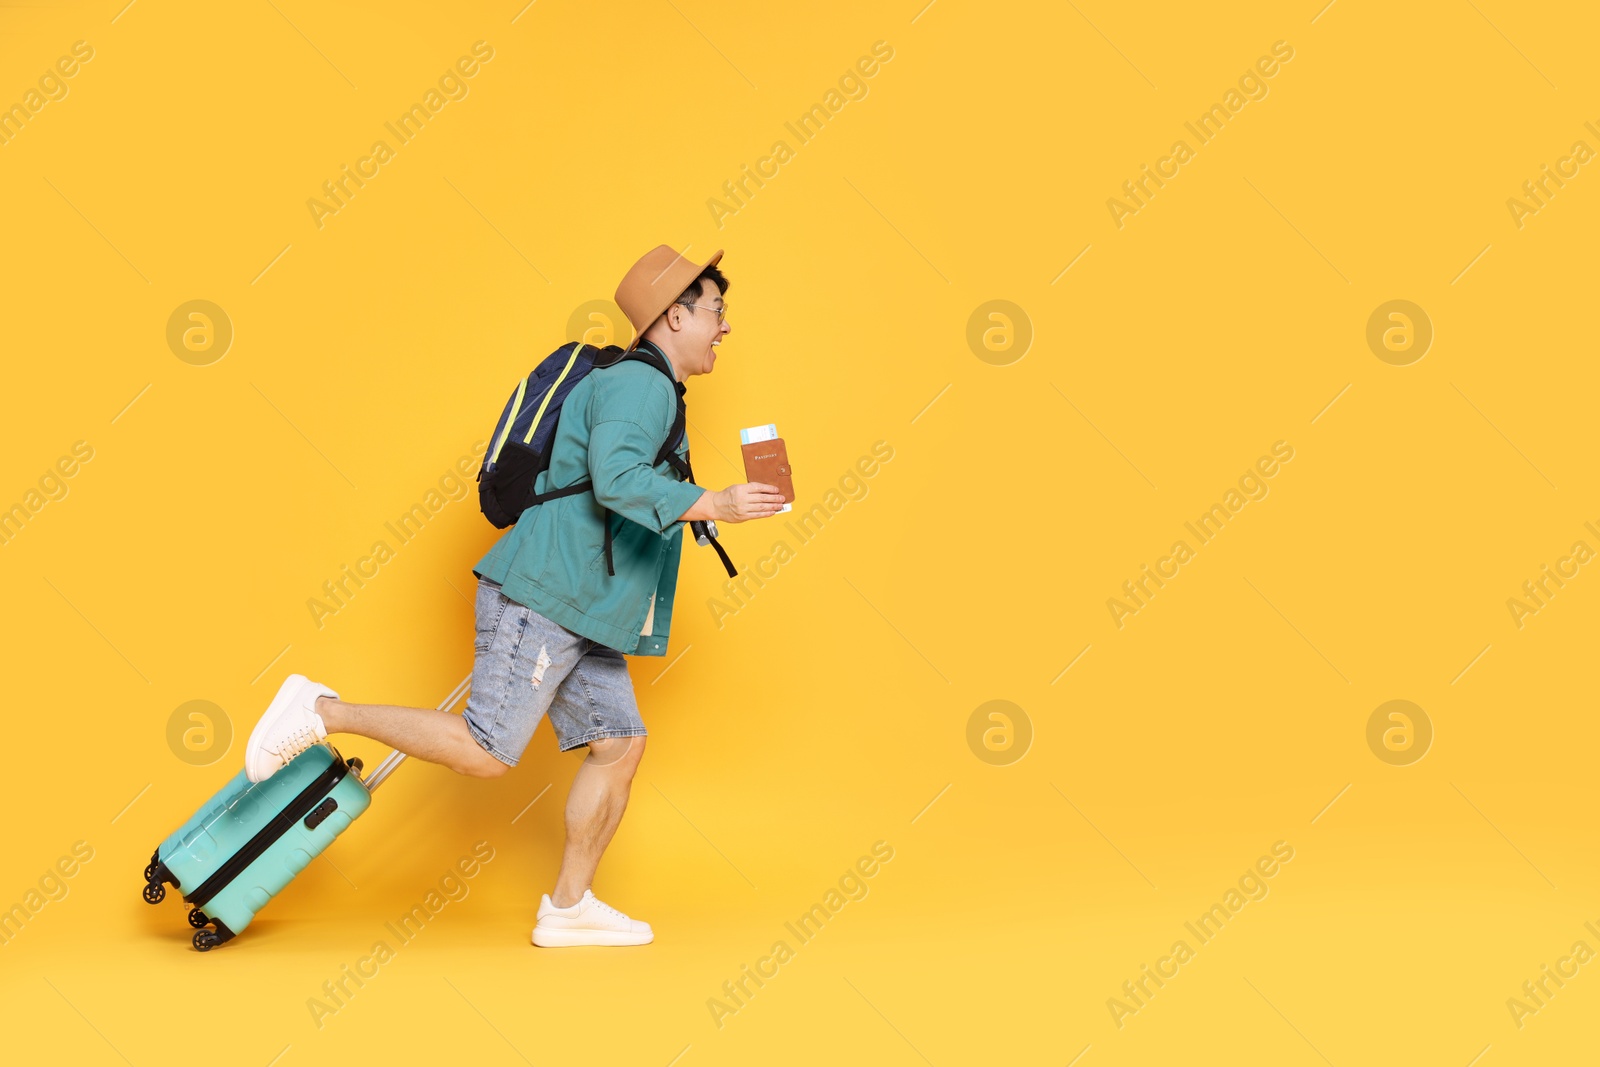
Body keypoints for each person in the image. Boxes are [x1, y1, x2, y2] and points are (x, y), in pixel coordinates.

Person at [240, 246, 785, 946]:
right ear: (674, 315)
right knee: (488, 748)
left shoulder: (650, 389)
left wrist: (710, 505)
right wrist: (715, 502)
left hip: (577, 602)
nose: (723, 326)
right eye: (715, 310)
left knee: (620, 745)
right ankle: (319, 708)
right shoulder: (640, 386)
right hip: (546, 594)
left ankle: (568, 905)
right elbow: (617, 479)